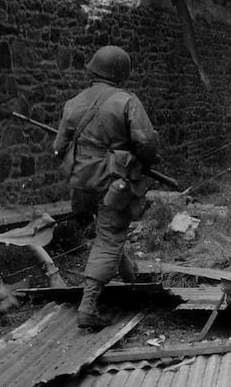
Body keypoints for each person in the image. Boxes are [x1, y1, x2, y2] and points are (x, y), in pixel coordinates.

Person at [53, 45, 160, 330]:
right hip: (113, 182)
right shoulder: (126, 101)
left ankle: (131, 281)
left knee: (107, 232)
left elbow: (58, 147)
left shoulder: (73, 102)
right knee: (110, 236)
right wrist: (142, 160)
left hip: (80, 184)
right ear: (120, 73)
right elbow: (146, 143)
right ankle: (88, 307)